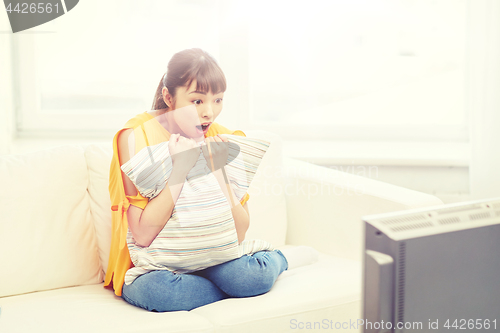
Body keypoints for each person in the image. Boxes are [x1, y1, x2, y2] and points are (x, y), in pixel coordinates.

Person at [104, 48, 289, 312]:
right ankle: (228, 288)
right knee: (160, 293)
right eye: (197, 101)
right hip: (155, 265)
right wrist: (180, 169)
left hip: (214, 256)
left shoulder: (223, 137)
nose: (209, 113)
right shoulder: (136, 137)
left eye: (218, 100)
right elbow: (143, 235)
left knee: (250, 277)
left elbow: (238, 233)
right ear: (168, 97)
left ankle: (273, 262)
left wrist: (220, 173)